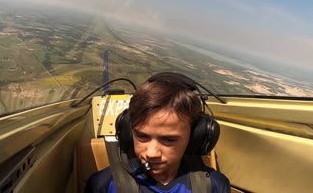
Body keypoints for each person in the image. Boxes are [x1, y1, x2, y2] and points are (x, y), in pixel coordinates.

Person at [85, 72, 231, 192]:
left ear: (194, 138)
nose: (152, 153)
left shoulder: (214, 186)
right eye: (142, 136)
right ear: (128, 133)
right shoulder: (104, 185)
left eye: (168, 140)